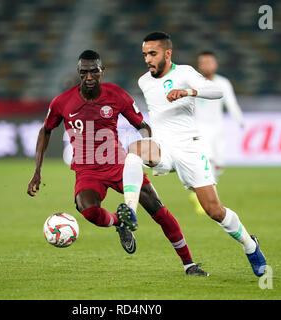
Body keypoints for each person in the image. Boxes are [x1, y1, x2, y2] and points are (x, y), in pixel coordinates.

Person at [27, 50, 208, 276]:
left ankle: (189, 264)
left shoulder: (116, 95)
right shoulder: (62, 102)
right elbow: (45, 130)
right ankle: (119, 223)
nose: (89, 76)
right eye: (84, 72)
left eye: (94, 71)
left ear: (102, 71)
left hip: (119, 166)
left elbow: (142, 125)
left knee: (157, 209)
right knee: (89, 211)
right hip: (87, 172)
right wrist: (37, 171)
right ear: (79, 73)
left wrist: (148, 147)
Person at [136, 32, 266, 277]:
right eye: (144, 55)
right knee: (135, 152)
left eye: (152, 54)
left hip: (189, 147)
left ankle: (250, 245)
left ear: (167, 53)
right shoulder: (144, 81)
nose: (148, 60)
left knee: (214, 210)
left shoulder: (184, 73)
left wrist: (188, 92)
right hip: (163, 147)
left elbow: (217, 92)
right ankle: (129, 212)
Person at [189, 51, 245, 214]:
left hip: (218, 128)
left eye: (209, 62)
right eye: (203, 63)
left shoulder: (223, 83)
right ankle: (205, 198)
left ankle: (197, 192)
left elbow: (231, 103)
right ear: (199, 65)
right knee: (208, 161)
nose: (206, 65)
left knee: (219, 165)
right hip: (200, 127)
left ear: (215, 64)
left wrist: (240, 120)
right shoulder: (194, 82)